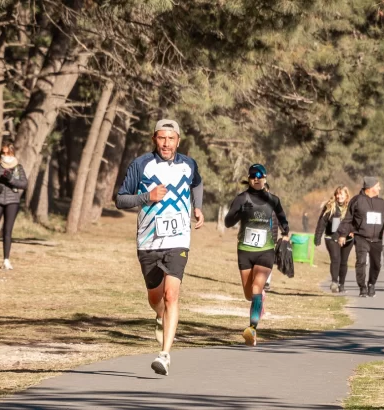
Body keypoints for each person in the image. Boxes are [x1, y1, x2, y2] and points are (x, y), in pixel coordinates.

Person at [115, 119, 205, 376]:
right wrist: (147, 197)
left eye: (171, 138)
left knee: (171, 295)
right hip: (148, 241)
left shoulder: (189, 164)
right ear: (155, 138)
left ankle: (164, 354)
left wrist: (197, 206)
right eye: (161, 138)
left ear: (178, 140)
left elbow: (196, 183)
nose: (166, 144)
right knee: (156, 298)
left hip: (178, 239)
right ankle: (160, 316)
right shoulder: (142, 164)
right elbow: (121, 199)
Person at [225, 164, 289, 346]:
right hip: (245, 251)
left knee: (256, 287)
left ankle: (252, 329)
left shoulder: (273, 200)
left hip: (265, 251)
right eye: (253, 176)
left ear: (265, 178)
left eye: (260, 176)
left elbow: (284, 221)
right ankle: (257, 301)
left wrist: (285, 234)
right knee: (248, 294)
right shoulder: (241, 198)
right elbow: (228, 221)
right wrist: (239, 213)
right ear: (249, 178)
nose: (256, 178)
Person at [337, 177, 384, 297]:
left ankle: (371, 284)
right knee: (361, 262)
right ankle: (362, 287)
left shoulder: (381, 203)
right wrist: (342, 234)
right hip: (361, 237)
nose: (380, 188)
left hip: (377, 239)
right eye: (378, 186)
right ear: (371, 187)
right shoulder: (357, 200)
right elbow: (348, 219)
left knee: (376, 264)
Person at [0, 141, 28, 270]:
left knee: (7, 231)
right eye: (3, 152)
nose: (5, 154)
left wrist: (11, 180)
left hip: (12, 201)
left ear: (12, 152)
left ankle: (6, 260)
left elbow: (24, 184)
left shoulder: (18, 168)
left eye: (7, 152)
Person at [314, 186, 353, 293]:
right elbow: (321, 223)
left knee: (344, 261)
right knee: (336, 258)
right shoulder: (330, 206)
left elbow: (357, 222)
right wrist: (317, 237)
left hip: (347, 239)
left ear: (346, 196)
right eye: (337, 194)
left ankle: (342, 284)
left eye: (342, 194)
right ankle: (334, 282)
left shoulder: (351, 207)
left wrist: (354, 232)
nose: (339, 196)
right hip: (331, 237)